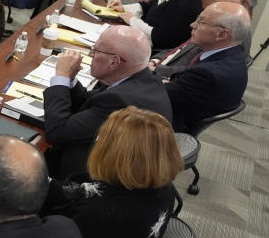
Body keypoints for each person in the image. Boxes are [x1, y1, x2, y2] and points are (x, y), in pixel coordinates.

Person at [43, 106, 182, 238]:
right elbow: (86, 193)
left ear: (118, 155)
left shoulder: (98, 213)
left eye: (102, 139)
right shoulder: (164, 189)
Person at [43, 25, 172, 180]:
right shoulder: (141, 79)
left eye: (96, 50)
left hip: (88, 178)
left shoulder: (121, 101)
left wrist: (61, 76)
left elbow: (57, 132)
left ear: (114, 62)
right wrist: (70, 78)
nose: (90, 54)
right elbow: (89, 104)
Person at [164, 1, 251, 132]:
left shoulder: (207, 75)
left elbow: (156, 97)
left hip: (163, 128)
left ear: (222, 34)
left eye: (201, 22)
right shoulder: (235, 55)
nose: (192, 25)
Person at [151, 0, 260, 77]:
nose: (216, 0)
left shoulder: (237, 36)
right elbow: (182, 48)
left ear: (244, 3)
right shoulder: (216, 21)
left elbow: (201, 71)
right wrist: (155, 60)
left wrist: (156, 68)